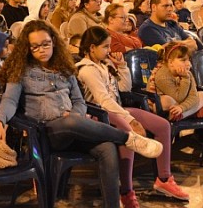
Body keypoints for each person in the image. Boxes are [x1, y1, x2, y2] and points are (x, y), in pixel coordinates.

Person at [0, 20, 163, 208]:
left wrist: (75, 114)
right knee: (70, 123)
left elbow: (80, 101)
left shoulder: (65, 68)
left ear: (54, 41)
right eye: (35, 46)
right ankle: (128, 137)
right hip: (45, 133)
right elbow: (10, 100)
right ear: (27, 48)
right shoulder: (21, 71)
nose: (41, 49)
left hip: (74, 127)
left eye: (45, 44)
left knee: (107, 148)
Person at [76, 27, 189, 205]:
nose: (109, 50)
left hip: (117, 110)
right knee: (128, 134)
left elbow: (125, 88)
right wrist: (130, 119)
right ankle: (126, 191)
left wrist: (122, 67)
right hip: (98, 115)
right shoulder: (86, 70)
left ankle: (164, 179)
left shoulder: (105, 64)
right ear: (91, 48)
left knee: (162, 126)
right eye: (105, 47)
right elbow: (103, 101)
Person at [151, 41, 203, 120]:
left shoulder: (187, 73)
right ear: (171, 62)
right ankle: (192, 112)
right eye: (183, 60)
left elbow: (193, 96)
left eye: (188, 60)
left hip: (179, 106)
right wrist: (185, 79)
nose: (188, 64)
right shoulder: (162, 76)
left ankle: (181, 115)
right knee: (167, 100)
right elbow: (178, 98)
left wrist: (182, 108)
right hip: (165, 107)